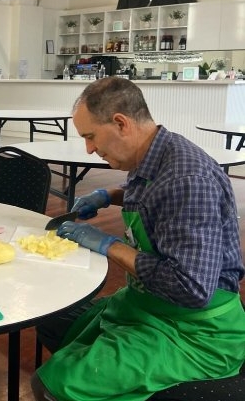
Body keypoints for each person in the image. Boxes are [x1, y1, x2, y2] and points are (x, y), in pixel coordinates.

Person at [31, 77, 245, 401]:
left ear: (120, 123)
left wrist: (108, 245)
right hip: (149, 306)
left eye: (90, 137)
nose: (89, 149)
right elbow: (152, 193)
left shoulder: (188, 180)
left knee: (56, 385)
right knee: (64, 328)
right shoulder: (155, 153)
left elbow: (190, 288)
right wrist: (109, 196)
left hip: (194, 330)